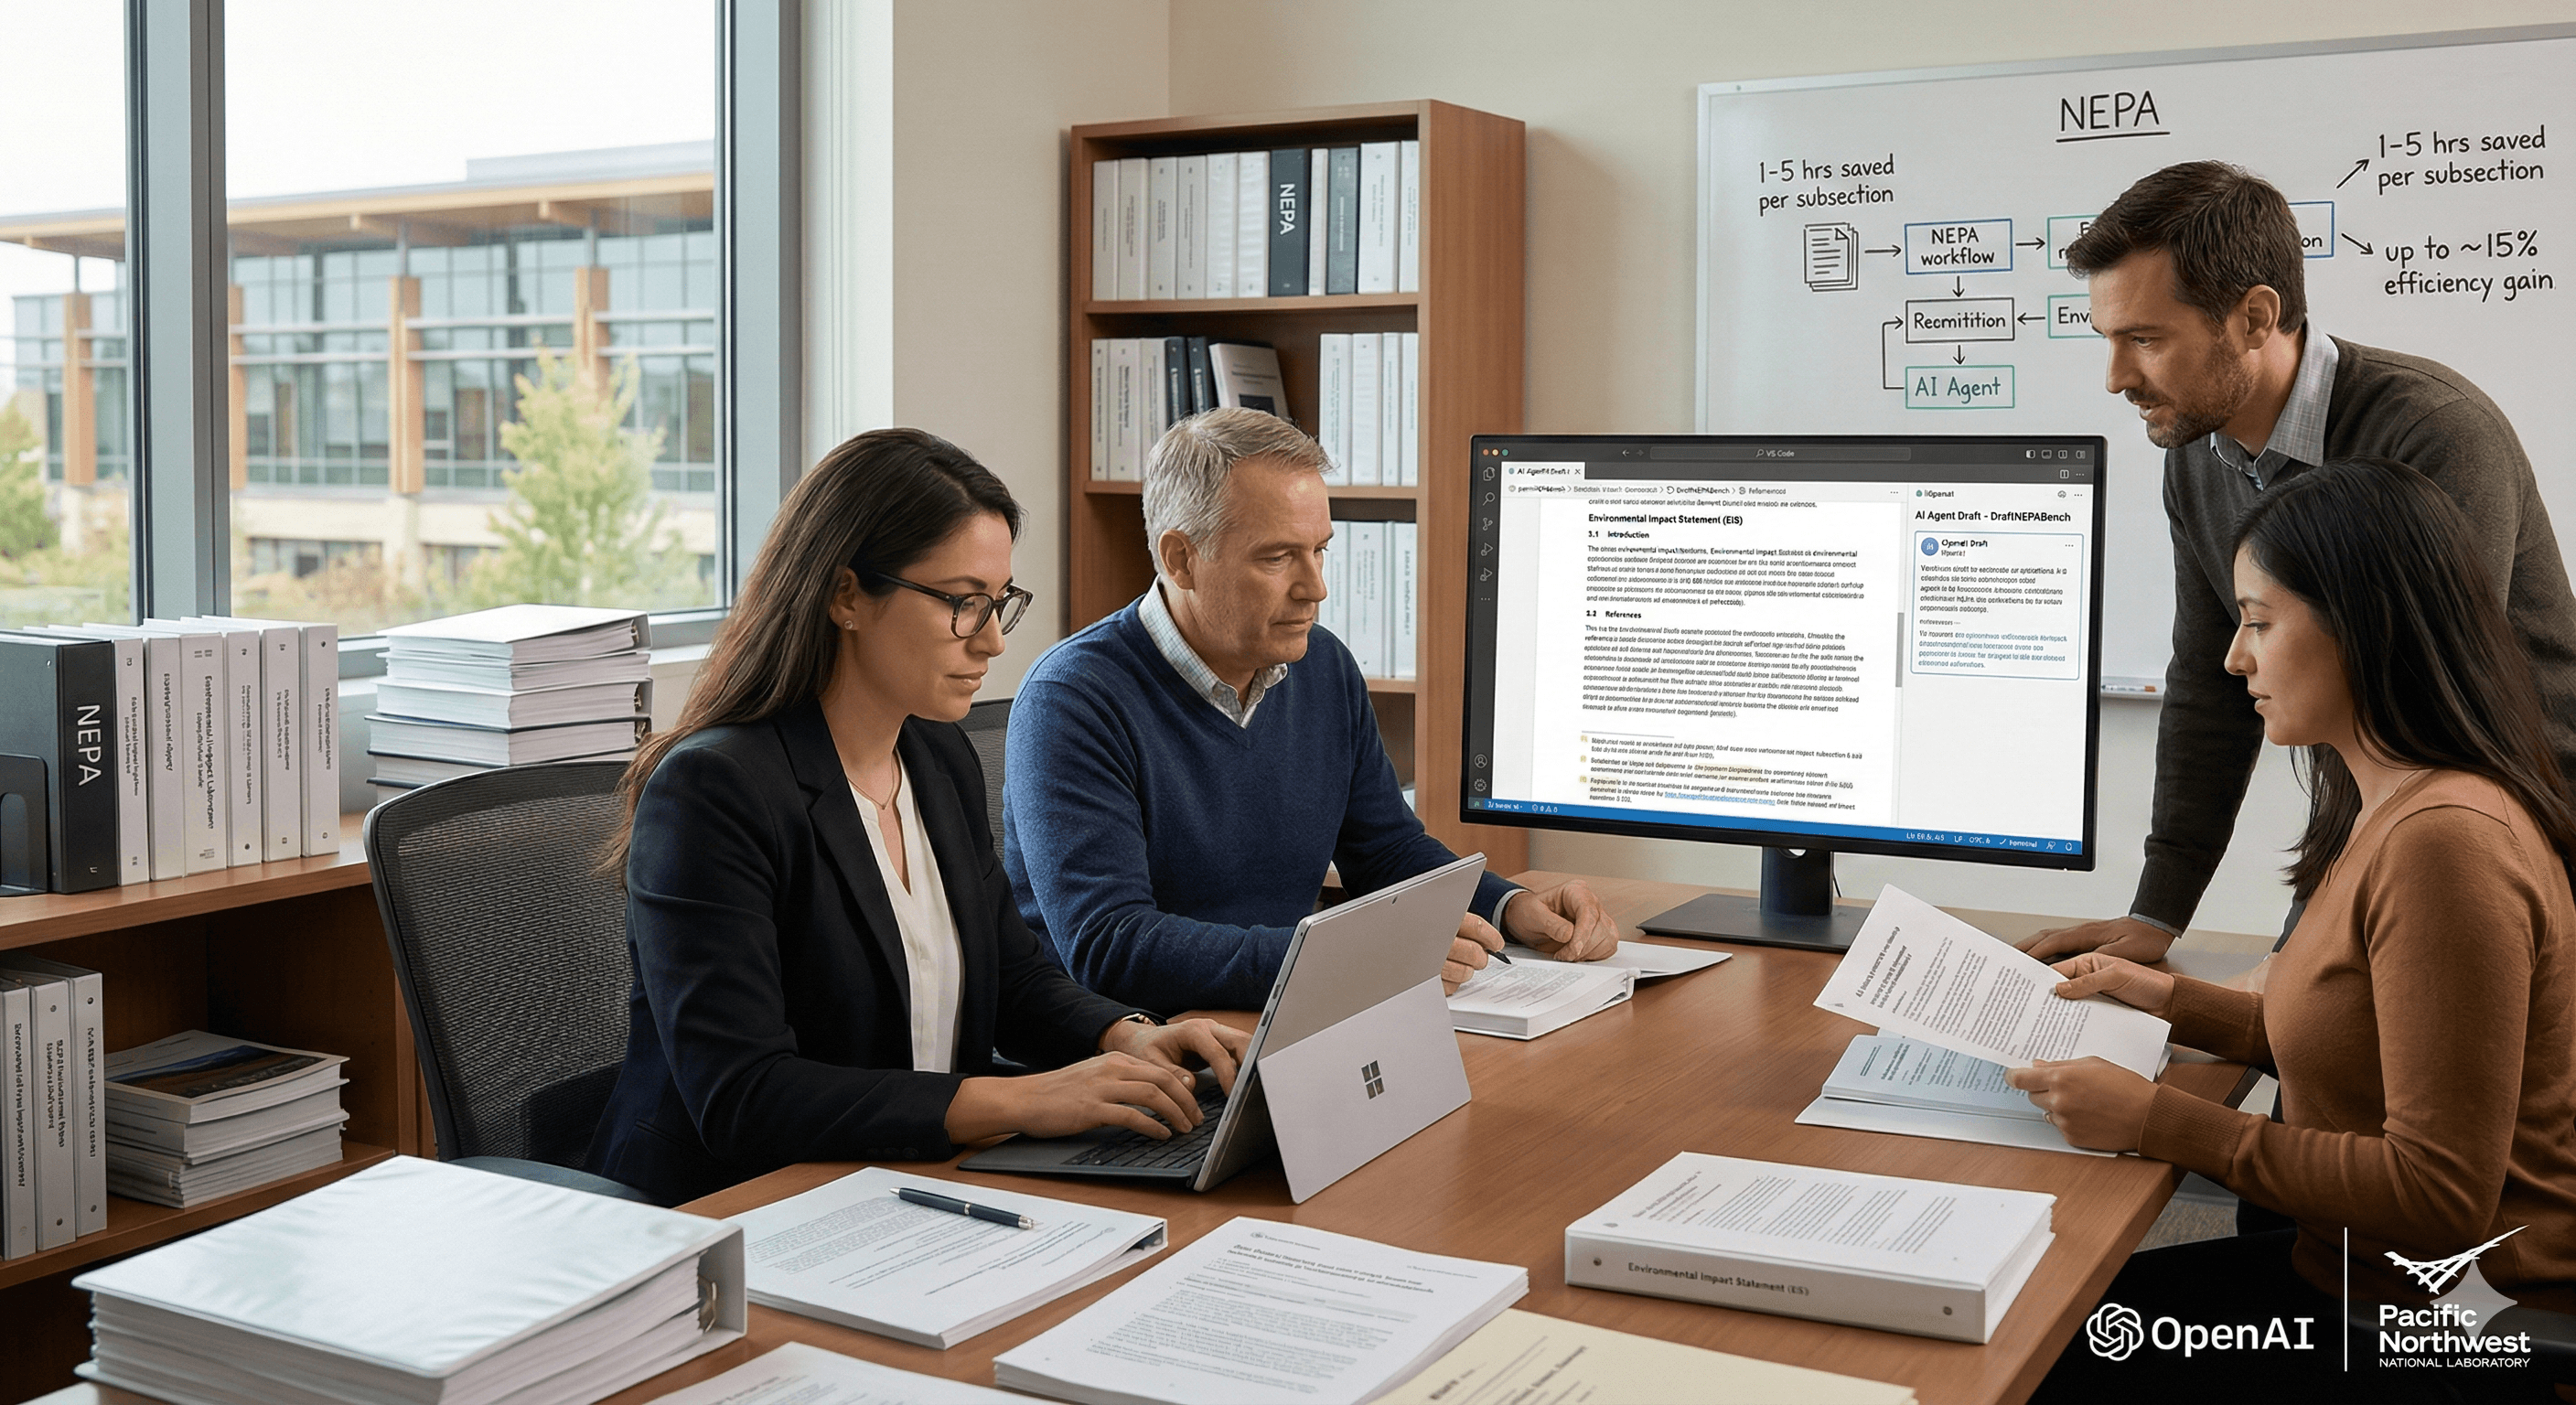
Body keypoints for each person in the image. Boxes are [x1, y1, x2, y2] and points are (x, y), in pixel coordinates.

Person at [2010, 459, 2576, 1402]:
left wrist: (2159, 1121)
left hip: (2447, 1330)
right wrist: (2172, 1003)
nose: (2235, 657)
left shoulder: (2447, 845)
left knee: (2027, 1350)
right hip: (2359, 1281)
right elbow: (2370, 1047)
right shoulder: (2389, 801)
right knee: (2040, 1308)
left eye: (2259, 622)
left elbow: (2437, 1199)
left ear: (2364, 626)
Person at [586, 428, 1249, 1206]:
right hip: (733, 1214)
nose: (995, 640)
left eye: (999, 603)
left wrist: (1129, 1034)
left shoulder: (936, 759)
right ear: (846, 596)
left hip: (904, 1183)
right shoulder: (712, 791)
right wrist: (1026, 1101)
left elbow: (1011, 974)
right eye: (965, 604)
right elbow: (744, 1096)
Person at [2023, 161, 2576, 968]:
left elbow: (2418, 711)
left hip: (2508, 842)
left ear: (2254, 317)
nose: (2118, 380)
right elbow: (2208, 686)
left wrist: (2299, 953)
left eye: (2145, 339)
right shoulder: (2197, 454)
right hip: (2387, 828)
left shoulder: (2434, 434)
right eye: (2110, 340)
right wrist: (2159, 913)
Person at [1004, 408, 1619, 1014]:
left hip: (1283, 1017)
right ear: (1180, 559)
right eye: (1277, 558)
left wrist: (1508, 908)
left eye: (1319, 550)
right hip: (1126, 1056)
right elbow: (1112, 946)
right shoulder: (1073, 699)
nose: (1315, 587)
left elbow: (1386, 853)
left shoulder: (1321, 666)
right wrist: (1350, 960)